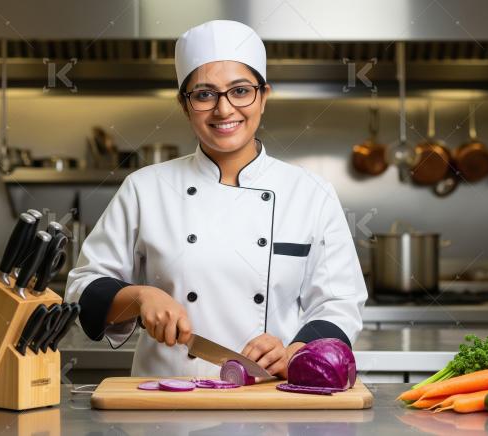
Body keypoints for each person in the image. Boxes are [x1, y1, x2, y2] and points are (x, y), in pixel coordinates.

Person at [65, 20, 366, 378]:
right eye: (205, 94)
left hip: (271, 404)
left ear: (263, 96)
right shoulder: (144, 189)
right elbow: (82, 290)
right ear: (184, 104)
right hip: (166, 406)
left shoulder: (311, 193)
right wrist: (141, 296)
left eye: (240, 91)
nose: (224, 110)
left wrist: (297, 350)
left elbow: (338, 303)